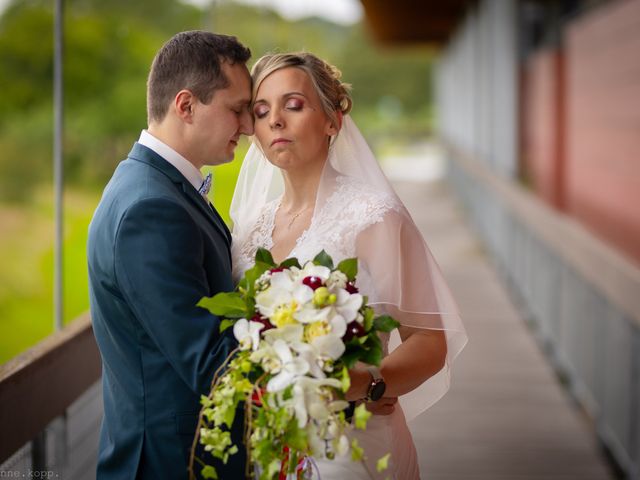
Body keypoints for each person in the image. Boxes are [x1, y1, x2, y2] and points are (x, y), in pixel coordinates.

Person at [230, 52, 468, 479]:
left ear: (332, 121)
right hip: (266, 444)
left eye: (294, 105)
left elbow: (431, 341)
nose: (275, 121)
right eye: (261, 111)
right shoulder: (248, 229)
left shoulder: (373, 216)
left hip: (353, 447)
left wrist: (373, 382)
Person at [87, 31, 254, 479]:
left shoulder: (149, 184)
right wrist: (318, 362)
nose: (250, 125)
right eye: (237, 109)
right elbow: (208, 362)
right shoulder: (152, 209)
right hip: (172, 461)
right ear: (186, 105)